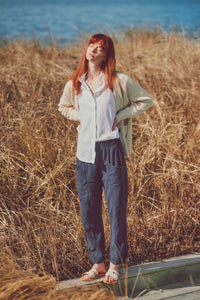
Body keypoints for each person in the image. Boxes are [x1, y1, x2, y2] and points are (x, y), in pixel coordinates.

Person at [58, 33, 153, 284]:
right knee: (89, 210)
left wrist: (120, 115)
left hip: (111, 150)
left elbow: (145, 100)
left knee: (116, 209)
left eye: (100, 49)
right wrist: (82, 118)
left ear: (107, 55)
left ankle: (115, 264)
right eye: (91, 45)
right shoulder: (75, 83)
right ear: (86, 48)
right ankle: (98, 263)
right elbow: (63, 107)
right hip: (85, 154)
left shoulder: (118, 81)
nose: (94, 51)